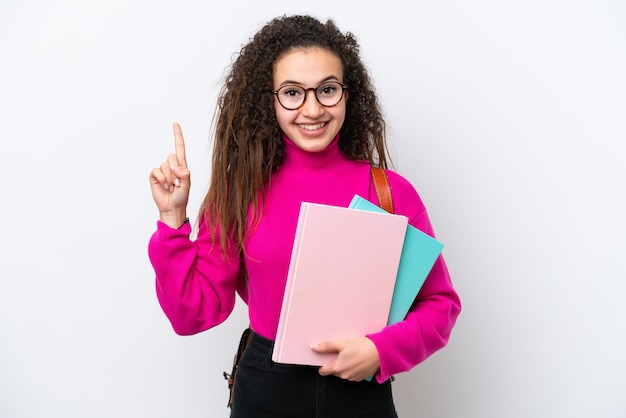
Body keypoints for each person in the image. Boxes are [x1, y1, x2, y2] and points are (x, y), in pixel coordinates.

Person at [148, 14, 461, 417]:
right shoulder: (238, 191)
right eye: (292, 93)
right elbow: (192, 315)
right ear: (270, 99)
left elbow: (441, 304)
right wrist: (173, 222)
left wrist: (381, 350)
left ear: (349, 94)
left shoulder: (389, 192)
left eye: (327, 89)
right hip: (266, 388)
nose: (312, 109)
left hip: (360, 392)